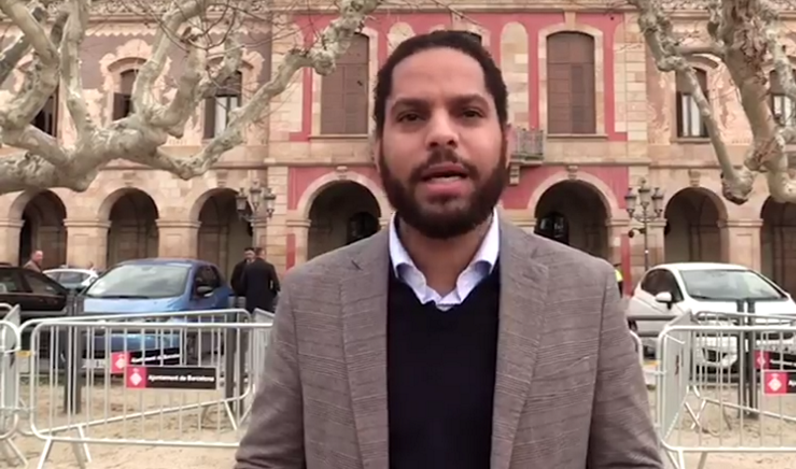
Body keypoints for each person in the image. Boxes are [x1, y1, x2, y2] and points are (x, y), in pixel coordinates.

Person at [235, 31, 662, 469]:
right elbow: (267, 462)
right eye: (412, 116)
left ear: (506, 141)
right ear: (376, 148)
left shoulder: (586, 293)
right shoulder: (311, 297)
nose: (442, 134)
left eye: (469, 112)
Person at [239, 247, 280, 313]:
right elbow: (275, 283)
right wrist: (272, 293)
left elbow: (243, 284)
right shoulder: (269, 266)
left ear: (255, 254)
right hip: (265, 299)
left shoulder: (248, 267)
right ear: (263, 254)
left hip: (251, 299)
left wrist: (246, 293)